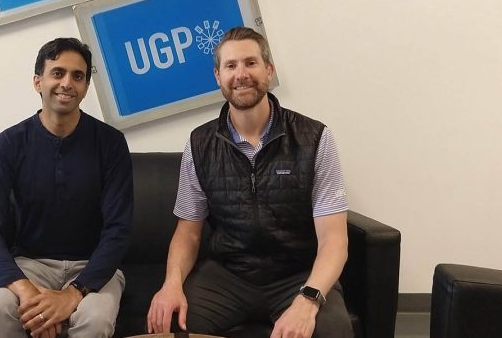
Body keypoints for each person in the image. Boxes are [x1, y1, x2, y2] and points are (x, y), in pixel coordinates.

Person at [147, 26, 352, 338]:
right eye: (230, 66)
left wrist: (308, 300)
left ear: (268, 70)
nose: (240, 74)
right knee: (172, 327)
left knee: (332, 333)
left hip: (296, 273)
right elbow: (188, 235)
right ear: (218, 76)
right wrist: (171, 285)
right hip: (228, 275)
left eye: (250, 63)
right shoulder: (199, 143)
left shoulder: (314, 138)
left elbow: (334, 240)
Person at [0, 37, 133, 338]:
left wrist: (72, 295)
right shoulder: (8, 145)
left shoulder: (110, 144)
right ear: (38, 82)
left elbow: (118, 229)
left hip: (93, 266)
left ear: (85, 86)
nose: (67, 83)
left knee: (95, 320)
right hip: (30, 264)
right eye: (57, 73)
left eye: (78, 76)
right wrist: (27, 292)